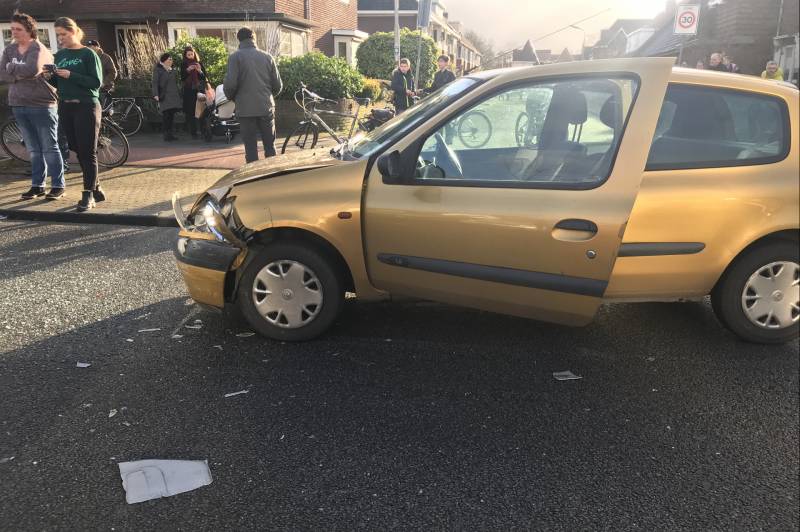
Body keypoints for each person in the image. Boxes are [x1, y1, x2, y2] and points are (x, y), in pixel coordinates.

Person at [0, 12, 64, 200]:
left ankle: (58, 186)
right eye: (12, 29)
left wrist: (12, 69)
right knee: (33, 149)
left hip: (41, 104)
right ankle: (38, 185)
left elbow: (32, 69)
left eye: (18, 29)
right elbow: (1, 73)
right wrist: (16, 73)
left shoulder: (38, 48)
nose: (14, 32)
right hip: (18, 103)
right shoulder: (9, 49)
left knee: (49, 147)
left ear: (29, 30)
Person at [48, 17, 103, 212]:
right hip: (65, 106)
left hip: (86, 106)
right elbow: (59, 83)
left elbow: (96, 82)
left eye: (63, 34)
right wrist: (50, 78)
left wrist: (71, 75)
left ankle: (88, 194)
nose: (60, 38)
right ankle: (96, 186)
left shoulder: (88, 54)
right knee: (76, 148)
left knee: (88, 151)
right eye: (58, 35)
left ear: (73, 31)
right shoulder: (59, 55)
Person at [223, 27, 283, 162]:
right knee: (270, 146)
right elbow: (278, 85)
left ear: (239, 39)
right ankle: (272, 172)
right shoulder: (267, 57)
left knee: (250, 148)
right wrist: (267, 96)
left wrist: (234, 98)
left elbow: (230, 84)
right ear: (254, 38)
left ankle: (253, 174)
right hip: (266, 107)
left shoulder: (235, 57)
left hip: (245, 109)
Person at [152, 52, 181, 142]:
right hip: (164, 95)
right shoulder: (158, 69)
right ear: (164, 60)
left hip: (173, 95)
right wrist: (155, 94)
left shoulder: (172, 69)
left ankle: (171, 134)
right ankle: (166, 135)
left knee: (171, 115)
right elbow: (155, 82)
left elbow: (175, 81)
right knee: (166, 115)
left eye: (171, 59)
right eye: (169, 59)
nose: (171, 61)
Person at [180, 46, 206, 139]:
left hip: (199, 90)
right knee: (191, 112)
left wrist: (199, 70)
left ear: (194, 54)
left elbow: (204, 77)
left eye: (192, 54)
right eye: (188, 55)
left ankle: (203, 131)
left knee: (201, 110)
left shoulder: (199, 63)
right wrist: (188, 70)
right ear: (185, 55)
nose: (190, 56)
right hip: (189, 91)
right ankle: (193, 133)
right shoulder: (184, 64)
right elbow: (182, 77)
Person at [86, 39, 117, 108]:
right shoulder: (88, 58)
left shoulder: (106, 58)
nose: (89, 48)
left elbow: (113, 72)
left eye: (91, 46)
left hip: (103, 88)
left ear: (97, 47)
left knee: (102, 109)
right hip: (92, 88)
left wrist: (104, 83)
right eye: (88, 47)